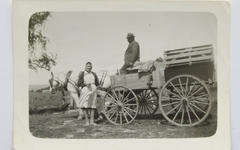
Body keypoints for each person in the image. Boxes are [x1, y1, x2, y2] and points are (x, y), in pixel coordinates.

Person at [77, 62, 100, 126]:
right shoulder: (82, 74)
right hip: (85, 90)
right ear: (85, 67)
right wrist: (85, 84)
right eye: (87, 66)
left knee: (93, 105)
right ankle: (87, 122)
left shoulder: (94, 74)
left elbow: (97, 83)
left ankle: (92, 121)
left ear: (91, 67)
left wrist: (95, 87)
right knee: (85, 106)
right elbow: (79, 83)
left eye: (90, 66)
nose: (89, 67)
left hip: (93, 90)